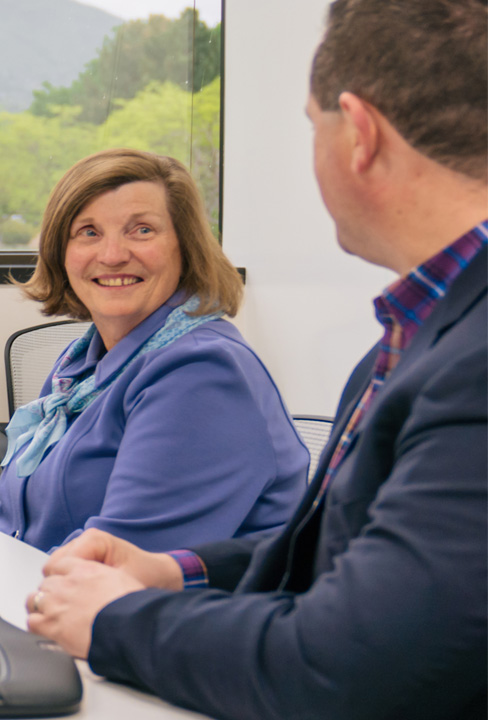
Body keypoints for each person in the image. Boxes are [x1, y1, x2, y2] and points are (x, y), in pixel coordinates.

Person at [25, 1, 487, 718]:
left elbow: (348, 664)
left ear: (359, 135)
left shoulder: (471, 364)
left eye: (312, 125)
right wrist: (178, 572)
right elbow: (341, 556)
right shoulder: (410, 339)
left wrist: (119, 621)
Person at [0, 149, 309, 553]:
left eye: (142, 229)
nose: (113, 254)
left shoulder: (201, 374)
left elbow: (119, 562)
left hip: (167, 646)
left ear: (186, 247)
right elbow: (38, 510)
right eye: (89, 232)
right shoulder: (83, 362)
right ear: (61, 252)